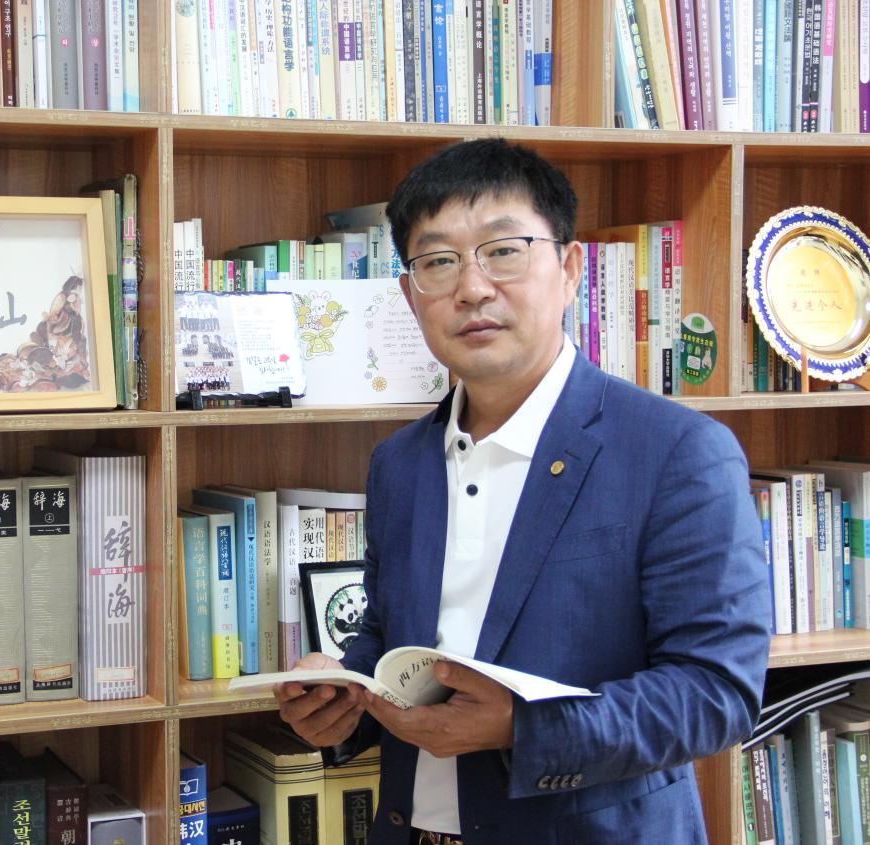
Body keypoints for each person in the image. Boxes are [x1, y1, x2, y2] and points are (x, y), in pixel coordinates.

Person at [273, 138, 771, 844]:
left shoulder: (678, 452)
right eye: (438, 261)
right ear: (411, 296)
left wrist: (524, 728)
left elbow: (716, 694)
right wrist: (342, 695)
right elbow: (392, 640)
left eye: (503, 251)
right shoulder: (398, 464)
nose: (471, 287)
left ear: (569, 270)